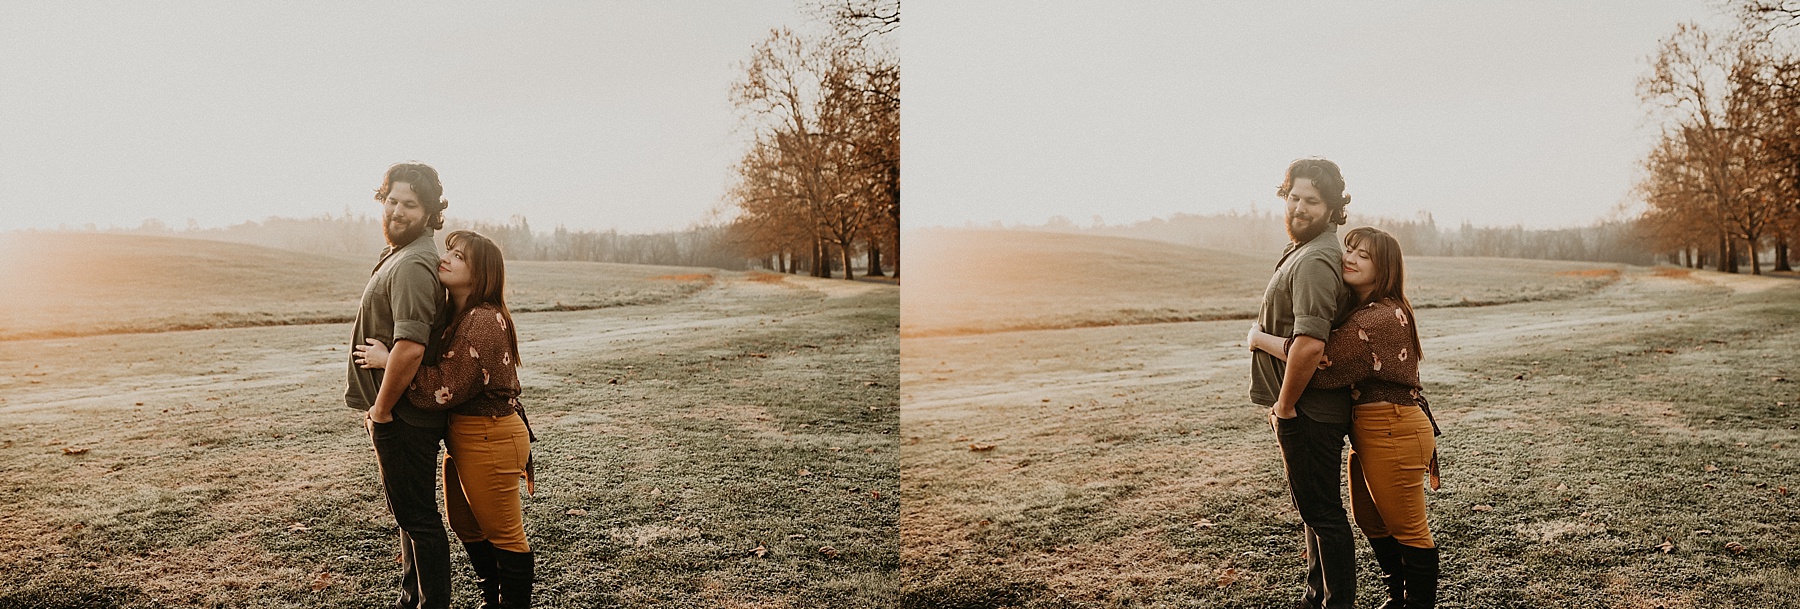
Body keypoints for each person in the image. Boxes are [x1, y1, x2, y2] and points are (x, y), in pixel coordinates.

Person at [1249, 227, 1439, 609]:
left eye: (1363, 256)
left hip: (1394, 428)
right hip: (1371, 429)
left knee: (1408, 528)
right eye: (1349, 249)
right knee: (1370, 520)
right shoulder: (1365, 310)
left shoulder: (1378, 318)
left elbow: (1318, 360)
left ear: (1384, 269)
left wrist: (1258, 338)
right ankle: (1397, 597)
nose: (1349, 258)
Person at [358, 230, 536, 608]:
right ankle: (492, 599)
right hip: (465, 437)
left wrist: (389, 361)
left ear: (480, 274)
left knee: (505, 535)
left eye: (459, 257)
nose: (447, 258)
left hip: (491, 436)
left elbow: (443, 389)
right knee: (465, 527)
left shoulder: (482, 320)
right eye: (450, 251)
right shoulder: (461, 315)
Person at [1249, 157, 1357, 608]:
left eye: (1312, 200)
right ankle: (1317, 599)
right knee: (1314, 512)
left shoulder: (1315, 259)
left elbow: (1310, 345)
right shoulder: (1304, 251)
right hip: (1305, 408)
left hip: (1308, 410)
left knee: (1323, 515)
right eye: (1293, 197)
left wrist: (1286, 406)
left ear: (1332, 207)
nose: (1299, 207)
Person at [346, 162, 453, 609]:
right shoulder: (400, 255)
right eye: (392, 200)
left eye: (410, 204)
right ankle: (412, 600)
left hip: (404, 415)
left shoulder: (412, 264)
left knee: (419, 519)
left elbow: (409, 348)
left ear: (429, 213)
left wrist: (382, 410)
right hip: (397, 412)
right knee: (409, 516)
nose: (397, 211)